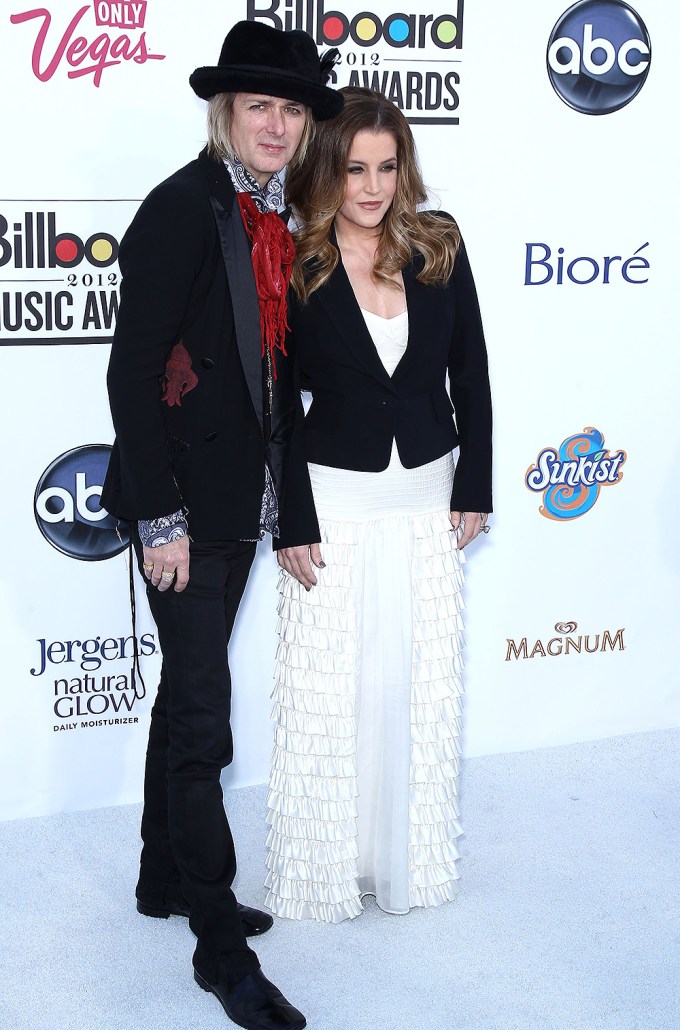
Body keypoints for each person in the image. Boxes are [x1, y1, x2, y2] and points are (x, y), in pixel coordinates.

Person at [102, 20, 342, 1030]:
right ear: (224, 113)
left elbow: (275, 385)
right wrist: (158, 517)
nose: (278, 125)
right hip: (182, 510)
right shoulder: (181, 208)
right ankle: (217, 946)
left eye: (291, 109)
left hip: (241, 504)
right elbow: (131, 370)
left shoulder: (281, 216)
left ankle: (163, 876)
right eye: (260, 107)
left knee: (186, 699)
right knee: (204, 712)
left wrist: (286, 509)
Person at [266, 87, 493, 923]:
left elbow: (470, 372)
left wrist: (475, 484)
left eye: (387, 167)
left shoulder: (439, 244)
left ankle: (404, 857)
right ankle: (331, 868)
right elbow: (280, 407)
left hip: (427, 496)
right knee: (332, 691)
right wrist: (291, 518)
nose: (372, 186)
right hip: (337, 500)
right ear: (326, 170)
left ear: (405, 169)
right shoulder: (296, 261)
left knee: (415, 686)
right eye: (355, 168)